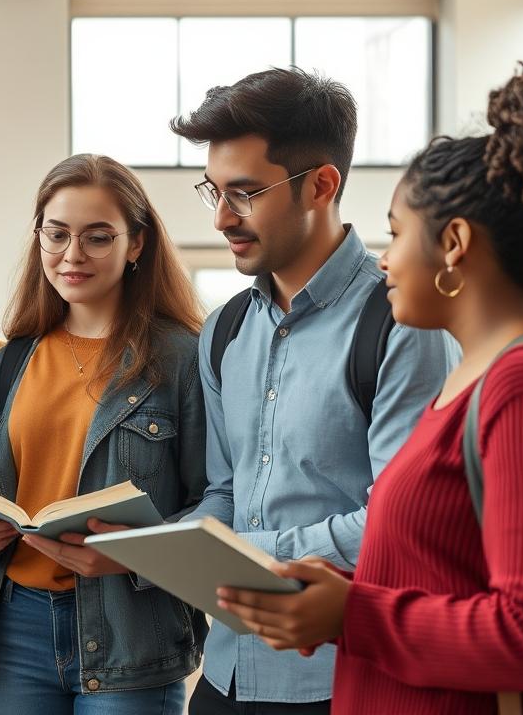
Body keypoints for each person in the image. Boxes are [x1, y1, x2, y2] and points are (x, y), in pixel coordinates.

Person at [217, 67, 523, 715]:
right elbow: (442, 570)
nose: (384, 258)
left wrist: (355, 615)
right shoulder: (476, 382)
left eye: (397, 231)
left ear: (455, 244)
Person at [169, 67, 458, 714]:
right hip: (223, 680)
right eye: (212, 191)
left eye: (243, 193)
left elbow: (400, 522)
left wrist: (244, 554)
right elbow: (226, 491)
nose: (220, 218)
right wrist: (158, 548)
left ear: (322, 184)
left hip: (338, 682)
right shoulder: (224, 330)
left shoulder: (403, 324)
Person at [0, 154, 207, 715]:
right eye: (57, 234)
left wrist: (133, 555)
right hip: (15, 627)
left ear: (136, 244)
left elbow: (217, 503)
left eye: (97, 238)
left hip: (131, 630)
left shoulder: (184, 359)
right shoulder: (12, 359)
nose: (72, 255)